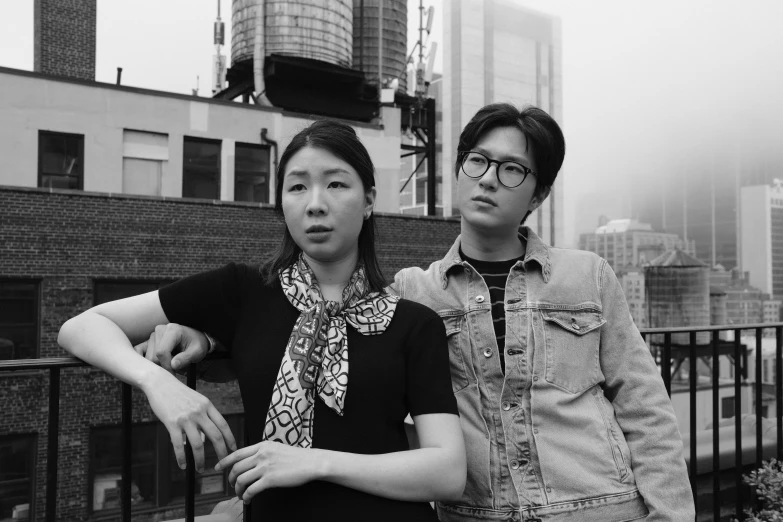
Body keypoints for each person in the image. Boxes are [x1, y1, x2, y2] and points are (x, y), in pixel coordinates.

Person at [146, 103, 695, 521]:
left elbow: (645, 404)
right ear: (458, 171)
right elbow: (317, 327)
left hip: (597, 506)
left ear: (538, 193)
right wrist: (203, 333)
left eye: (511, 170)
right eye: (477, 161)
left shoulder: (588, 275)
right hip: (479, 513)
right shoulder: (413, 292)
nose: (487, 178)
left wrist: (670, 516)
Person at [58, 120, 466, 522]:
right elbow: (81, 327)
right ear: (282, 204)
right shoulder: (243, 292)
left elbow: (447, 473)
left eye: (337, 184)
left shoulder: (413, 323)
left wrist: (314, 462)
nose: (315, 203)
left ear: (370, 200)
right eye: (297, 186)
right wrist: (157, 382)